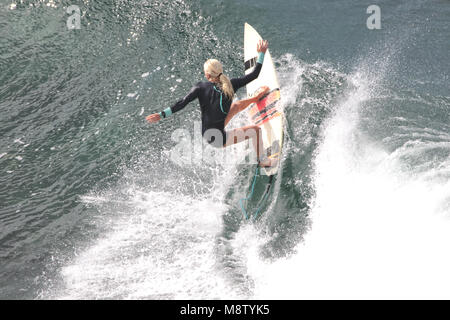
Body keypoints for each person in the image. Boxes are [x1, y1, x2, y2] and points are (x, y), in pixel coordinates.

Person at [146, 39, 276, 167]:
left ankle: (256, 98)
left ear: (207, 75)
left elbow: (182, 103)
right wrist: (261, 53)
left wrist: (162, 114)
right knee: (256, 131)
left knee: (235, 106)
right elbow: (255, 75)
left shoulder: (200, 87)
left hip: (208, 132)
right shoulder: (232, 84)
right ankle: (262, 161)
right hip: (217, 138)